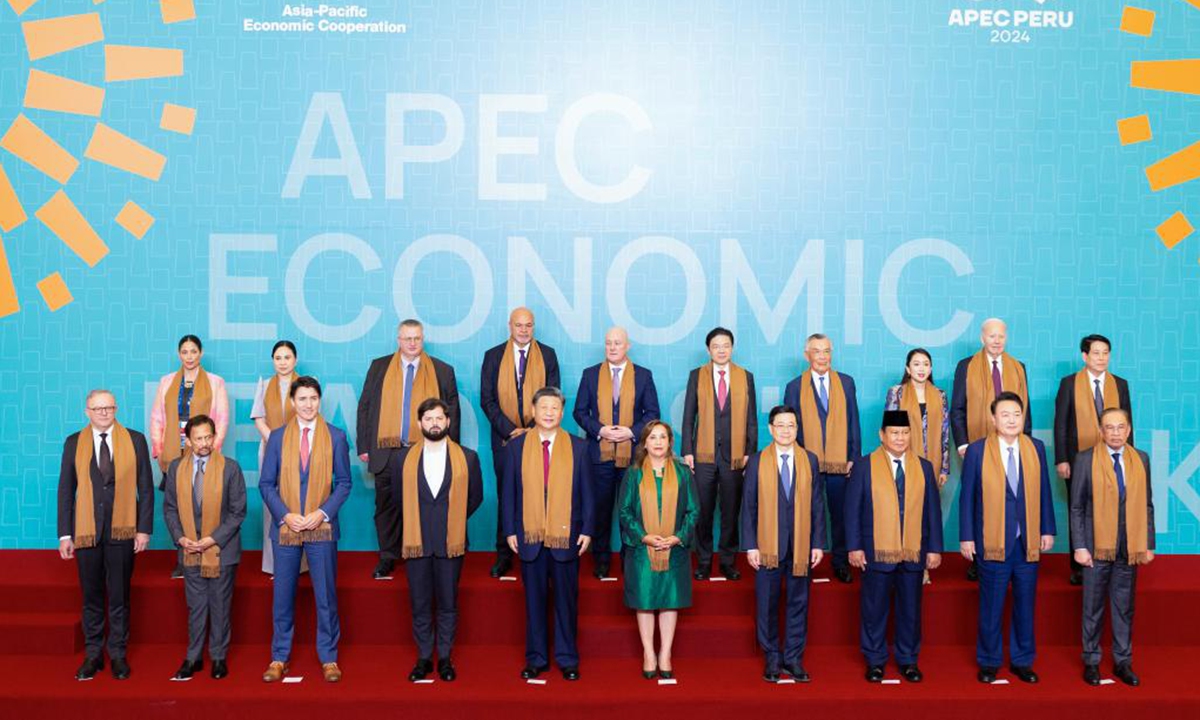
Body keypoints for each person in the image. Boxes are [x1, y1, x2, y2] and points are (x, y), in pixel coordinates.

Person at [259, 376, 352, 683]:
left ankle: (328, 657)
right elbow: (266, 484)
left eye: (313, 398)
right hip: (287, 529)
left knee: (325, 595)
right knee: (282, 595)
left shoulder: (336, 436)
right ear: (292, 402)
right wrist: (286, 515)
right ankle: (279, 656)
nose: (308, 404)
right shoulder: (277, 437)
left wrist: (321, 513)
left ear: (319, 400)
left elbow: (344, 483)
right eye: (302, 399)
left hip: (321, 528)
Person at [959, 391, 1055, 685]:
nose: (1011, 420)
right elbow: (967, 497)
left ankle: (1022, 661)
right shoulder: (977, 451)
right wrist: (966, 537)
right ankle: (989, 662)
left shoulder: (1036, 447)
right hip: (992, 540)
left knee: (1025, 605)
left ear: (1023, 418)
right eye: (1005, 415)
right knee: (991, 605)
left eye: (1016, 414)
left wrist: (1047, 528)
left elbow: (1044, 490)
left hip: (1026, 541)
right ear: (993, 419)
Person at [57, 389, 154, 680]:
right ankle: (93, 654)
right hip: (86, 532)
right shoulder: (74, 442)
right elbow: (65, 490)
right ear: (87, 411)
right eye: (97, 408)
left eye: (109, 407)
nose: (103, 413)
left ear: (116, 409)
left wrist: (143, 529)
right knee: (91, 595)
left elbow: (146, 488)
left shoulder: (135, 440)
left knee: (120, 596)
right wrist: (65, 534)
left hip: (122, 531)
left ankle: (118, 655)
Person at [502, 387, 594, 681]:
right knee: (534, 601)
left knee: (567, 600)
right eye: (544, 408)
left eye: (555, 408)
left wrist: (588, 530)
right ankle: (536, 658)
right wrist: (509, 530)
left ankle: (567, 658)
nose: (549, 413)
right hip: (528, 534)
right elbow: (508, 493)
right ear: (533, 411)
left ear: (562, 412)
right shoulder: (516, 447)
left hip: (567, 534)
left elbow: (589, 494)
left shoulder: (578, 447)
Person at [845, 411, 944, 683]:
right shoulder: (865, 466)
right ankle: (875, 661)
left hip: (914, 551)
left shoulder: (923, 467)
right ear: (882, 435)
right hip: (875, 549)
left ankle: (908, 660)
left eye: (905, 433)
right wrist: (854, 547)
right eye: (894, 433)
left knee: (910, 610)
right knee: (874, 609)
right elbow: (852, 509)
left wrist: (934, 548)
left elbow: (932, 511)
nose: (900, 438)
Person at [358, 319, 461, 580]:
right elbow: (366, 406)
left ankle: (423, 554)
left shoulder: (442, 370)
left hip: (428, 450)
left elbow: (453, 413)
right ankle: (388, 557)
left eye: (417, 338)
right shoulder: (379, 366)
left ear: (422, 339)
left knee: (425, 504)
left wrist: (453, 450)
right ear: (398, 340)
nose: (412, 343)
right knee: (387, 506)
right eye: (407, 338)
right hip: (387, 450)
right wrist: (363, 445)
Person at [392, 399, 484, 682]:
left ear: (448, 422)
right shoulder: (401, 459)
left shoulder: (467, 457)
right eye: (428, 418)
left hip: (450, 542)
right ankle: (423, 658)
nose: (434, 423)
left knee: (447, 602)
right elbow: (397, 499)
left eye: (439, 418)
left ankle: (444, 657)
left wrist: (450, 520)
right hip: (416, 542)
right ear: (419, 424)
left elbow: (475, 498)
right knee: (419, 602)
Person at [741, 405, 825, 683]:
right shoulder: (756, 461)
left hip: (801, 546)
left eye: (791, 425)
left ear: (797, 429)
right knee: (767, 602)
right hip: (767, 545)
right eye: (780, 425)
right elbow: (749, 506)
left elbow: (817, 506)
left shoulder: (810, 460)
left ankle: (793, 658)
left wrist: (817, 543)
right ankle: (772, 658)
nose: (786, 430)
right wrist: (751, 545)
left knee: (798, 602)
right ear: (770, 429)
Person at [1070, 408, 1154, 687]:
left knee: (1124, 607)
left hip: (1129, 546)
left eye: (1121, 427)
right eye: (1110, 427)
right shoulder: (1085, 460)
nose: (1115, 432)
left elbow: (1147, 504)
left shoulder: (1141, 459)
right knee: (1092, 607)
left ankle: (1122, 661)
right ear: (1101, 430)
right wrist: (1080, 546)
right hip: (1096, 547)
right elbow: (1078, 506)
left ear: (1128, 430)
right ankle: (1092, 661)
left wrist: (1147, 543)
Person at [162, 415, 247, 680]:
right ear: (188, 440)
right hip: (189, 550)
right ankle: (194, 657)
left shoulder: (230, 468)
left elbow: (237, 512)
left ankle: (219, 657)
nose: (204, 443)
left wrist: (212, 539)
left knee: (220, 605)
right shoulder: (176, 468)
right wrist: (180, 538)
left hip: (221, 550)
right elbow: (170, 508)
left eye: (208, 437)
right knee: (196, 606)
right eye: (198, 438)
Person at [573, 326, 660, 579]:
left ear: (627, 346)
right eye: (608, 343)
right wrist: (600, 430)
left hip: (632, 455)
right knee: (599, 510)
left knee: (630, 511)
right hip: (598, 456)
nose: (612, 347)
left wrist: (631, 432)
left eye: (617, 343)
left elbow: (653, 413)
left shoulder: (643, 376)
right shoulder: (590, 375)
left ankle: (628, 560)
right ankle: (600, 560)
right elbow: (579, 412)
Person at [479, 307, 560, 578]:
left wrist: (533, 429)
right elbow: (487, 399)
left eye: (528, 325)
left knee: (541, 494)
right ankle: (503, 554)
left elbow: (554, 397)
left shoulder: (547, 355)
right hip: (505, 440)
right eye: (519, 325)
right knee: (507, 496)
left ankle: (537, 550)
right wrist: (512, 430)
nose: (524, 330)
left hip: (542, 437)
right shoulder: (493, 356)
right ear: (509, 326)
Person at [617, 421, 700, 679]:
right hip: (643, 550)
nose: (658, 442)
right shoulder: (634, 473)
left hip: (674, 548)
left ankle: (665, 652)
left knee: (669, 601)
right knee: (645, 601)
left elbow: (693, 510)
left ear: (670, 442)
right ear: (644, 442)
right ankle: (648, 653)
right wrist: (644, 537)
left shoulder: (683, 472)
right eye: (652, 437)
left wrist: (678, 537)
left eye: (663, 437)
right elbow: (625, 511)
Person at [951, 318, 1031, 582]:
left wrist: (1026, 444)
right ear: (982, 338)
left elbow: (1024, 411)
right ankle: (978, 558)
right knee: (977, 499)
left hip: (1012, 447)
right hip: (976, 447)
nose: (996, 341)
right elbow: (958, 408)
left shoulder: (1018, 367)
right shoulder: (966, 366)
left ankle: (1010, 552)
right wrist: (963, 443)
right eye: (991, 336)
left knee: (1010, 498)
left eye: (1001, 336)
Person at [1054, 334, 1133, 586]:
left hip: (1114, 459)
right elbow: (1061, 425)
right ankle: (1078, 566)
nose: (1101, 358)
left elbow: (1127, 424)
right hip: (1078, 459)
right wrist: (1062, 459)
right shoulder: (1069, 383)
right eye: (1096, 353)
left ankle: (1108, 559)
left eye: (1105, 353)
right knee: (1078, 511)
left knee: (1112, 508)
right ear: (1084, 356)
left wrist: (1129, 459)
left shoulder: (1120, 384)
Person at [150, 334, 230, 578]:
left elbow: (222, 418)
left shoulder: (215, 382)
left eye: (193, 351)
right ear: (179, 355)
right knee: (176, 505)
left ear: (201, 353)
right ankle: (182, 559)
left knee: (202, 503)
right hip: (174, 450)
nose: (189, 356)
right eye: (184, 352)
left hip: (204, 449)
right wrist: (159, 449)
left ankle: (205, 554)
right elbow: (157, 417)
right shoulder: (166, 382)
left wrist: (211, 448)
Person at [782, 333, 860, 583]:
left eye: (826, 351)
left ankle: (840, 562)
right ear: (807, 355)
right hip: (807, 463)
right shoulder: (794, 386)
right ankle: (802, 561)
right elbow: (790, 427)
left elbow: (853, 422)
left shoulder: (846, 382)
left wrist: (853, 457)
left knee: (840, 515)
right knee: (806, 514)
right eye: (817, 351)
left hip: (840, 462)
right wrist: (797, 460)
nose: (822, 356)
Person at [681, 327, 757, 581]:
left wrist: (749, 451)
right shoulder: (696, 376)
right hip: (703, 456)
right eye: (716, 346)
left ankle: (727, 560)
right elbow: (689, 415)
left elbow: (752, 420)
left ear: (732, 348)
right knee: (702, 511)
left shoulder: (745, 377)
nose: (721, 350)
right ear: (708, 350)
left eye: (726, 345)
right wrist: (687, 451)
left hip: (735, 455)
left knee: (730, 511)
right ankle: (703, 561)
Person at [885, 348, 950, 585]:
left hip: (931, 465)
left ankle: (921, 565)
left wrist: (944, 468)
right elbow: (890, 430)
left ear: (930, 369)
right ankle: (899, 562)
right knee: (901, 513)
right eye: (916, 364)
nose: (921, 368)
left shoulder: (940, 395)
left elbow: (944, 433)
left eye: (925, 364)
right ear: (907, 369)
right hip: (902, 464)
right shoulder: (896, 393)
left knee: (927, 516)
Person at [250, 340, 299, 576]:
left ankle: (300, 563)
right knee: (272, 506)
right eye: (278, 358)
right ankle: (272, 564)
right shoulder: (264, 384)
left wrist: (289, 443)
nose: (282, 362)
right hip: (269, 448)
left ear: (295, 360)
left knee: (297, 501)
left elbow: (310, 416)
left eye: (287, 357)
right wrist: (276, 440)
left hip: (299, 449)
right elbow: (258, 418)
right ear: (273, 361)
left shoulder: (305, 385)